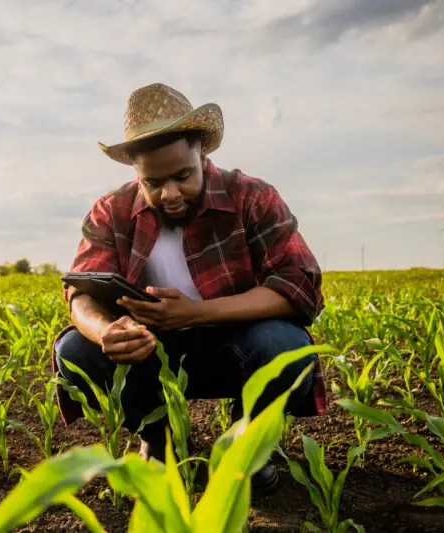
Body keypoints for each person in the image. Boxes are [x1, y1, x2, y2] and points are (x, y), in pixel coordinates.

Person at [51, 82, 326, 496]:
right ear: (135, 172)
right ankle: (158, 440)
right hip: (150, 355)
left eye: (183, 176)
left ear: (202, 151)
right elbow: (81, 292)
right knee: (74, 351)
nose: (170, 194)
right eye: (154, 182)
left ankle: (247, 444)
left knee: (285, 347)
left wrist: (197, 313)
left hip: (235, 347)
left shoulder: (252, 197)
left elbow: (298, 284)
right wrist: (106, 331)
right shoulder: (112, 210)